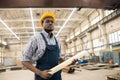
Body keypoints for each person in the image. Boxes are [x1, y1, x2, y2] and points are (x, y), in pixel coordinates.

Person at [22, 12, 65, 80]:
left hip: (57, 76)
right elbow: (24, 60)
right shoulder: (35, 38)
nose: (50, 23)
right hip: (42, 76)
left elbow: (59, 58)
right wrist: (40, 73)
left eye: (52, 22)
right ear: (42, 24)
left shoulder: (57, 40)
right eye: (47, 21)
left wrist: (70, 61)